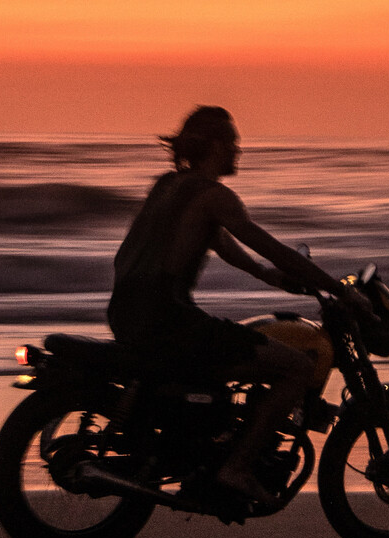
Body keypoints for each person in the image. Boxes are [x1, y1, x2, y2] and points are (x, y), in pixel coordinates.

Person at [107, 106, 371, 507]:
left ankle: (208, 447)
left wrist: (268, 276)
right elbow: (269, 246)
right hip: (167, 318)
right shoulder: (215, 196)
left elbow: (222, 243)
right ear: (215, 146)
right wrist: (339, 289)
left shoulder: (169, 186)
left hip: (127, 312)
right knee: (296, 367)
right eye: (233, 142)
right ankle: (237, 468)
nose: (238, 150)